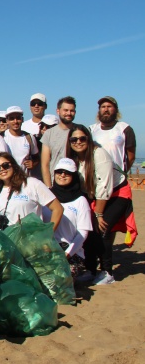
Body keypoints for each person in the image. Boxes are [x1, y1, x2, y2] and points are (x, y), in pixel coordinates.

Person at [66, 124, 131, 285]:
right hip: (94, 196)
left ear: (88, 138)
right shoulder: (74, 159)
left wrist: (99, 214)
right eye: (74, 139)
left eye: (82, 138)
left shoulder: (99, 154)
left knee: (103, 230)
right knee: (88, 230)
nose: (78, 142)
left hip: (116, 193)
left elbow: (104, 186)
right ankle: (90, 269)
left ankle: (107, 272)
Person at [0, 152, 63, 230]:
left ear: (13, 165)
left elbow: (58, 209)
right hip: (5, 243)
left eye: (5, 165)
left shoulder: (31, 183)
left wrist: (47, 235)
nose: (1, 169)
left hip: (29, 242)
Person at [44, 158, 93, 277]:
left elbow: (83, 232)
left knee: (61, 277)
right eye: (59, 171)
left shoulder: (80, 201)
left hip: (71, 252)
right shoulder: (46, 195)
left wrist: (67, 254)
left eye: (67, 172)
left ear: (74, 176)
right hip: (47, 248)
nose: (62, 175)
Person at [90, 96, 136, 173]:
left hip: (118, 180)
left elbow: (131, 157)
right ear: (99, 110)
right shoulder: (91, 130)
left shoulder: (125, 129)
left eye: (109, 107)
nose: (106, 109)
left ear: (116, 110)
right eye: (103, 107)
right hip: (97, 178)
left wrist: (122, 173)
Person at [41, 96, 77, 187]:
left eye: (71, 111)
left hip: (76, 183)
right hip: (55, 184)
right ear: (58, 111)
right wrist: (49, 187)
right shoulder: (49, 134)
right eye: (65, 110)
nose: (68, 113)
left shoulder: (79, 131)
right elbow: (45, 164)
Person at [2, 106, 39, 176]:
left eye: (18, 118)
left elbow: (36, 158)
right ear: (7, 121)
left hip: (25, 181)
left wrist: (33, 163)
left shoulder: (29, 137)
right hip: (6, 181)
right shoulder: (1, 137)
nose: (15, 121)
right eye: (12, 119)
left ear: (22, 119)